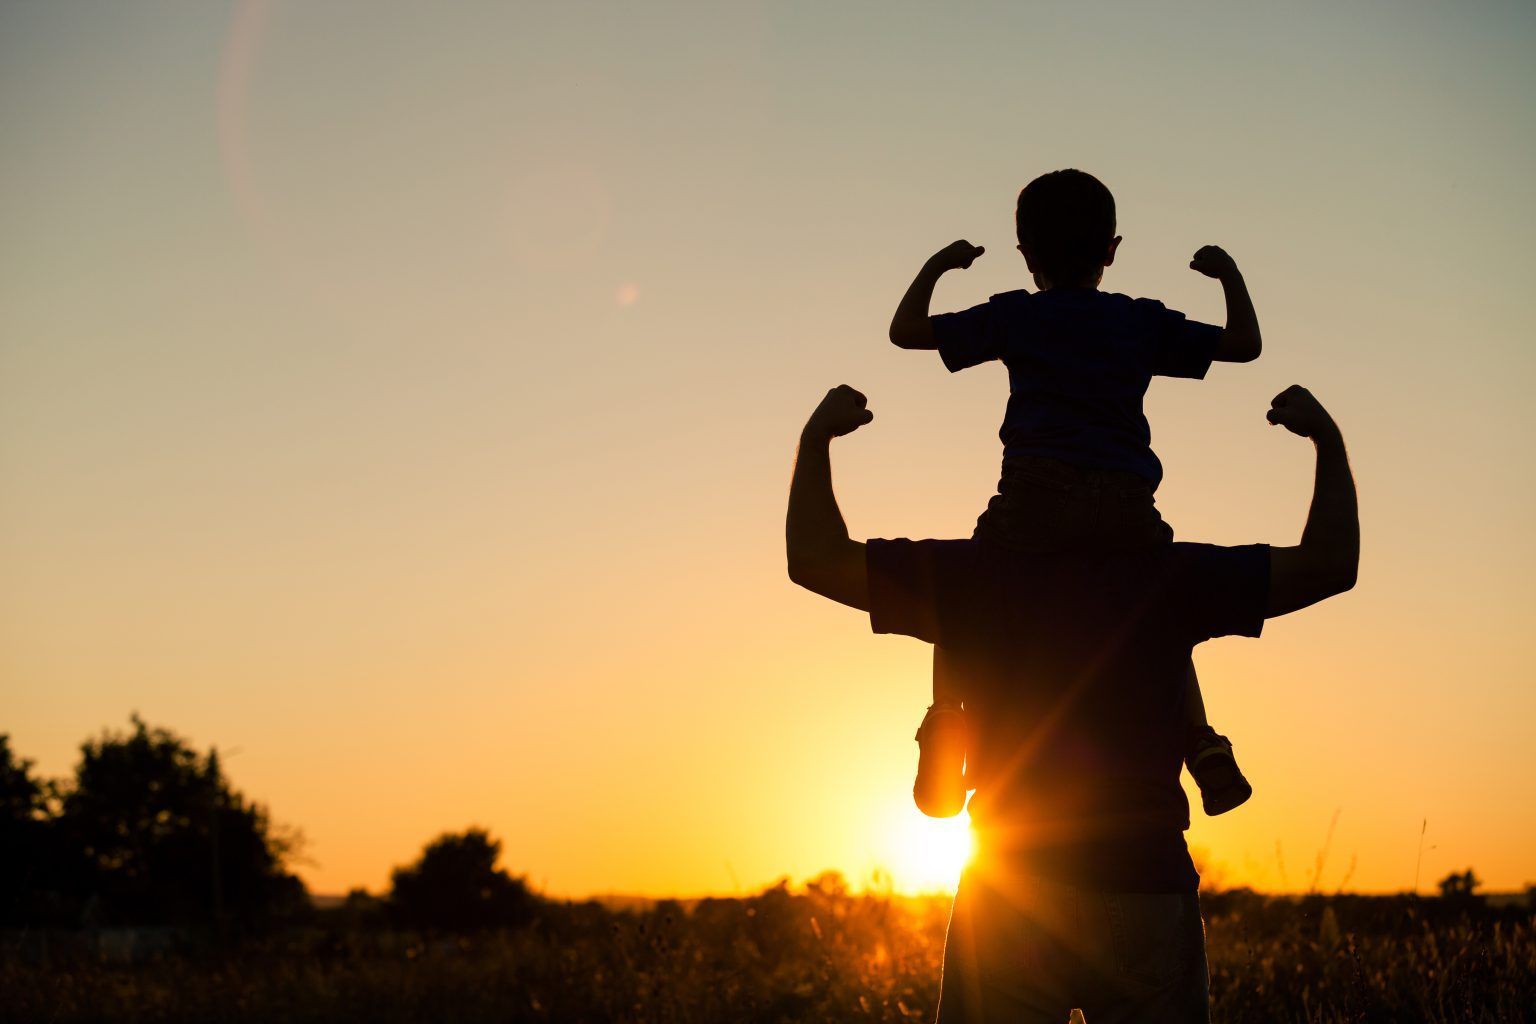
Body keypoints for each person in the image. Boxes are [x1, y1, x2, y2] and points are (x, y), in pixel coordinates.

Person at [785, 382, 1357, 1022]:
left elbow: (814, 558)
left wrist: (817, 439)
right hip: (1148, 881)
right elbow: (1329, 564)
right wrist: (1326, 441)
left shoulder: (973, 574)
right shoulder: (1169, 575)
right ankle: (1206, 745)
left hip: (1010, 891)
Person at [888, 170, 1263, 819]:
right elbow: (1243, 345)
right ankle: (1200, 740)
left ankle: (949, 721)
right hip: (1125, 504)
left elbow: (908, 331)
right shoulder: (1139, 321)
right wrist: (1229, 274)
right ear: (1111, 249)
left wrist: (940, 266)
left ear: (1025, 251)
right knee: (1163, 617)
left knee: (958, 594)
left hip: (1036, 495)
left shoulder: (1018, 314)